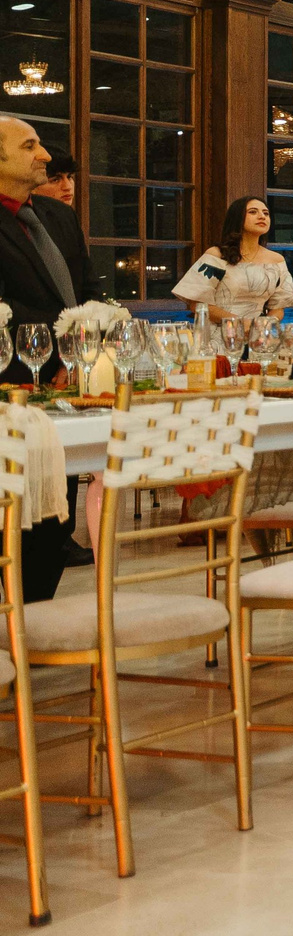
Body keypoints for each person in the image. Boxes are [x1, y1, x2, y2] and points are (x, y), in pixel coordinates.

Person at [0, 116, 95, 601]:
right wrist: (56, 348)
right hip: (11, 384)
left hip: (66, 384)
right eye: (30, 146)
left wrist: (84, 348)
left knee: (54, 519)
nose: (45, 156)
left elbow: (87, 291)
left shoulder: (57, 216)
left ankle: (31, 620)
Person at [173, 197, 293, 325]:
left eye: (266, 213)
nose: (262, 216)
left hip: (258, 337)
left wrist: (264, 325)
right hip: (218, 335)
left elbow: (278, 308)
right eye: (253, 212)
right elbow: (197, 304)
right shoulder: (217, 255)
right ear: (237, 218)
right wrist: (240, 323)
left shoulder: (276, 260)